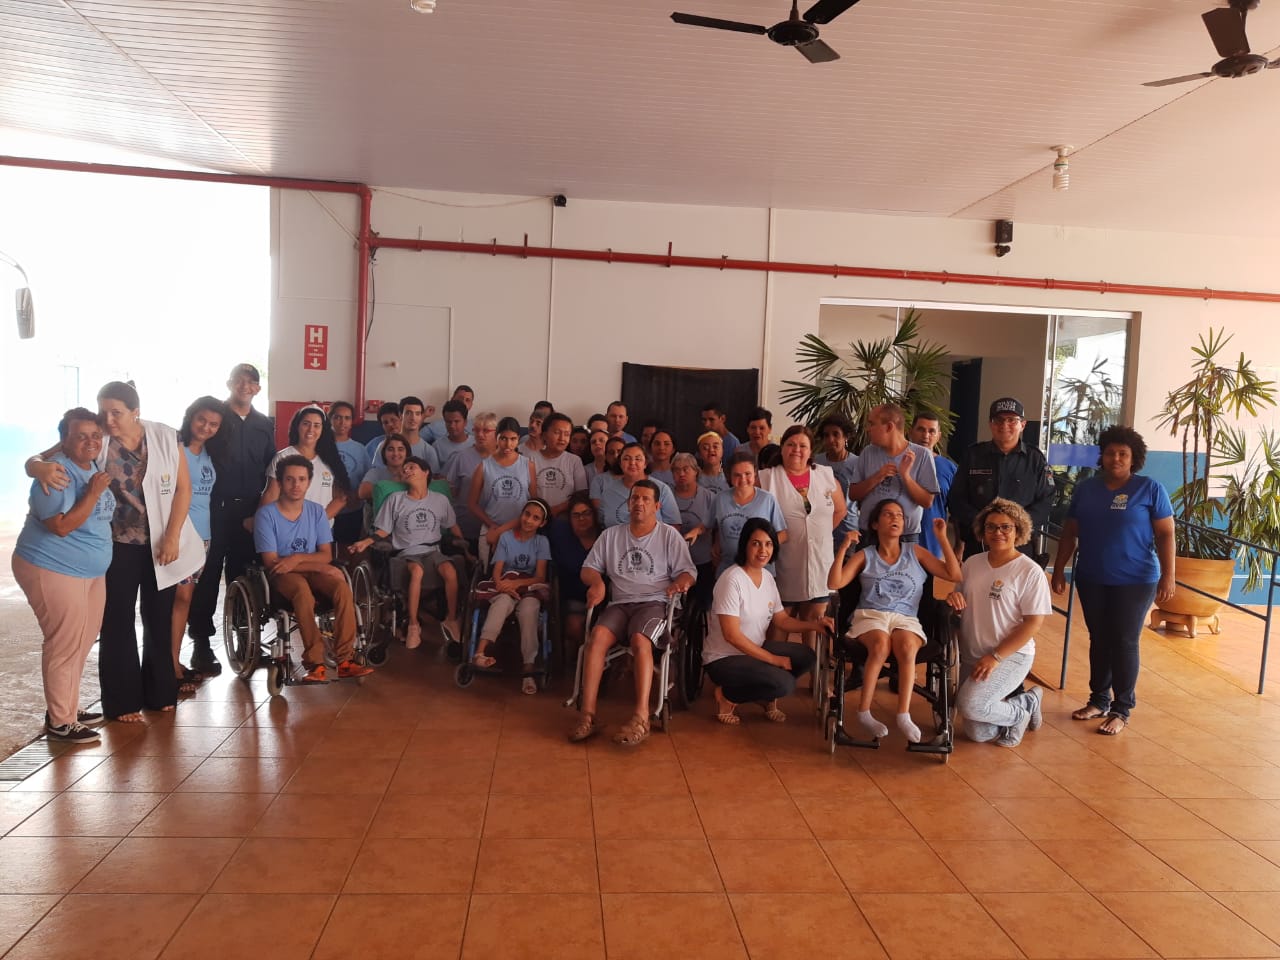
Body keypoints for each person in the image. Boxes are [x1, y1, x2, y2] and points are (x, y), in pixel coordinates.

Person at [26, 381, 206, 723]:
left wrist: (172, 536)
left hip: (161, 542)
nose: (107, 420)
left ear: (136, 411)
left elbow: (184, 489)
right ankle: (123, 702)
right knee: (117, 620)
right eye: (103, 411)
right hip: (115, 544)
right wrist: (39, 468)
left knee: (159, 616)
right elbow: (38, 460)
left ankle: (161, 692)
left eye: (116, 412)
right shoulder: (98, 439)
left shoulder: (165, 437)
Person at [1052, 426, 1175, 736]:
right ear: (1102, 456)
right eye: (1110, 453)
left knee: (1124, 640)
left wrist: (1169, 575)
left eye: (1123, 453)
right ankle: (1098, 700)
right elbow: (1070, 532)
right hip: (1092, 577)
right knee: (1099, 638)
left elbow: (1166, 534)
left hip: (1136, 579)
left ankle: (1122, 708)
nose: (1116, 458)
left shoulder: (1149, 489)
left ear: (1134, 458)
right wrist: (1058, 569)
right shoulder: (1086, 489)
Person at [13, 408, 115, 742]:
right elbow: (60, 526)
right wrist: (93, 493)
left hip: (89, 571)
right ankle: (60, 721)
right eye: (80, 436)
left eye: (95, 435)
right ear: (64, 440)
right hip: (53, 566)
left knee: (82, 639)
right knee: (64, 643)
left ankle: (66, 706)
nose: (90, 442)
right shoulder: (56, 474)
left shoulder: (91, 465)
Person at [570, 480, 696, 746]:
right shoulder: (611, 536)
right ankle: (588, 715)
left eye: (645, 499)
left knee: (640, 640)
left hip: (654, 603)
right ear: (628, 504)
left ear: (657, 506)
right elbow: (588, 569)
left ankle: (641, 717)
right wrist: (597, 582)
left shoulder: (668, 536)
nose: (639, 503)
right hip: (619, 604)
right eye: (635, 498)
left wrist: (681, 582)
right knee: (596, 639)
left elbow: (688, 572)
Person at [829, 503, 962, 742]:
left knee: (907, 646)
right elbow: (834, 583)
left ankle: (903, 714)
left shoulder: (916, 552)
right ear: (875, 524)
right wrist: (844, 547)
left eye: (899, 515)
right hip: (871, 615)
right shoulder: (865, 555)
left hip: (905, 617)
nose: (895, 518)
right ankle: (864, 712)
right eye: (888, 514)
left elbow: (954, 575)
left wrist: (942, 538)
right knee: (880, 645)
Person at [186, 362, 275, 677]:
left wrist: (262, 511)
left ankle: (245, 641)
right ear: (230, 383)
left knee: (245, 576)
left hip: (250, 512)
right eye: (239, 380)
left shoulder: (264, 424)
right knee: (208, 576)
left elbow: (271, 468)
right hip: (213, 509)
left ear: (257, 388)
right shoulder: (215, 418)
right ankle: (201, 644)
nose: (244, 385)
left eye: (251, 381)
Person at [253, 455, 373, 683]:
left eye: (301, 479)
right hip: (282, 575)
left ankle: (345, 660)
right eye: (289, 479)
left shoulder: (317, 511)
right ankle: (315, 662)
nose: (296, 485)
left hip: (309, 569)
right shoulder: (266, 515)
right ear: (280, 482)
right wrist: (314, 565)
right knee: (302, 591)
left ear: (309, 482)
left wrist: (296, 559)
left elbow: (326, 555)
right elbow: (272, 562)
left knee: (342, 588)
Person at [951, 499, 1054, 746]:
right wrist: (953, 599)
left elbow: (1033, 623)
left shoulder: (1030, 572)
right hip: (973, 653)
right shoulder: (972, 563)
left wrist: (996, 657)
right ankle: (1026, 701)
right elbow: (960, 600)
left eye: (1006, 527)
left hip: (1010, 655)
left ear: (1018, 530)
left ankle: (1021, 711)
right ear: (982, 531)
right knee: (978, 733)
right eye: (991, 527)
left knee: (970, 705)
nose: (998, 532)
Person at [704, 519, 825, 725]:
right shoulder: (732, 579)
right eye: (756, 543)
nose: (763, 550)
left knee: (806, 656)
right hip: (724, 658)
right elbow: (731, 636)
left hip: (754, 649)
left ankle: (764, 692)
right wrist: (773, 659)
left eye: (768, 544)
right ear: (745, 545)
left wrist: (815, 626)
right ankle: (728, 695)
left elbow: (782, 620)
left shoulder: (767, 578)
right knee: (784, 685)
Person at [353, 456, 465, 649]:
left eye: (412, 467)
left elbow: (452, 526)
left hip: (433, 550)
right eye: (404, 469)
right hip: (407, 552)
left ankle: (452, 619)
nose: (407, 471)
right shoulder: (395, 499)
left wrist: (465, 547)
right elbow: (383, 530)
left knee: (450, 570)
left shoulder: (440, 500)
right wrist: (366, 541)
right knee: (417, 571)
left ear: (426, 472)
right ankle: (413, 625)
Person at [759, 425, 848, 648]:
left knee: (815, 622)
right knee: (781, 622)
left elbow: (840, 510)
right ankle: (776, 668)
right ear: (782, 448)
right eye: (791, 444)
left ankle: (813, 670)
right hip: (784, 562)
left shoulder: (825, 475)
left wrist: (819, 533)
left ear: (810, 451)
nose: (796, 450)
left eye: (802, 446)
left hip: (820, 561)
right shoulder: (767, 478)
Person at [949, 397, 1054, 559]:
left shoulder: (1035, 460)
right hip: (979, 544)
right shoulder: (973, 455)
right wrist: (984, 525)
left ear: (1022, 425)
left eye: (1012, 420)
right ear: (991, 424)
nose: (1004, 425)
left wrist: (1015, 528)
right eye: (998, 420)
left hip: (1020, 545)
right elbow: (957, 498)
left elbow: (1046, 500)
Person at [171, 396, 226, 694]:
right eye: (202, 420)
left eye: (213, 424)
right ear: (191, 417)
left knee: (186, 599)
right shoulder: (174, 448)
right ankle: (170, 665)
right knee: (179, 598)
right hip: (180, 535)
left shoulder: (209, 453)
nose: (206, 427)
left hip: (204, 537)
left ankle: (174, 661)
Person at [474, 498, 553, 694]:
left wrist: (517, 584)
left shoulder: (542, 542)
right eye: (527, 514)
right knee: (502, 602)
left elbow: (540, 576)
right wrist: (503, 585)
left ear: (542, 523)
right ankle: (480, 653)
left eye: (535, 518)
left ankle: (528, 667)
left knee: (529, 609)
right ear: (521, 515)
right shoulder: (506, 537)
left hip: (528, 587)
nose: (529, 520)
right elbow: (496, 571)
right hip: (504, 583)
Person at [847, 404, 937, 544]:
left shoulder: (922, 455)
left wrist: (906, 476)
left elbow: (927, 502)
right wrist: (877, 477)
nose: (868, 429)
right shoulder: (867, 452)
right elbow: (853, 494)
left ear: (889, 427)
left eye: (872, 424)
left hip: (905, 537)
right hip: (869, 535)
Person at [261, 405, 351, 521]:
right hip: (288, 527)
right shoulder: (283, 457)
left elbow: (341, 497)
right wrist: (262, 522)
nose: (311, 429)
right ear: (297, 426)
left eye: (316, 425)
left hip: (321, 529)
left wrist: (317, 522)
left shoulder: (330, 460)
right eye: (306, 424)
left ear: (323, 429)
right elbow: (271, 495)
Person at [468, 415, 536, 565]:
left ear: (518, 439)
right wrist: (491, 524)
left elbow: (534, 503)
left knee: (518, 572)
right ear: (496, 437)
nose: (508, 444)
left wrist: (512, 526)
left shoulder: (528, 465)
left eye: (513, 439)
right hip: (491, 529)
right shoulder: (484, 466)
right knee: (488, 572)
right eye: (503, 438)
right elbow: (472, 504)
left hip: (521, 528)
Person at [711, 453, 787, 577]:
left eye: (747, 474)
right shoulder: (720, 499)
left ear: (755, 473)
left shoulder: (767, 499)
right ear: (729, 476)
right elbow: (717, 526)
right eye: (737, 475)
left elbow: (783, 534)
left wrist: (763, 548)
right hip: (728, 568)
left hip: (760, 570)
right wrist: (717, 543)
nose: (743, 479)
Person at [548, 491, 601, 656]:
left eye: (586, 513)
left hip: (603, 600)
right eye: (576, 515)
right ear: (569, 518)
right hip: (571, 599)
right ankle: (584, 660)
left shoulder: (605, 536)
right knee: (574, 625)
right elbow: (533, 516)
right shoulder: (559, 531)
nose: (581, 518)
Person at [591, 441, 681, 528]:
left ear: (645, 463)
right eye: (626, 459)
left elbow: (674, 525)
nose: (632, 463)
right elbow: (602, 524)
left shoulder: (662, 489)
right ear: (620, 463)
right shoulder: (608, 492)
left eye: (638, 459)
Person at [670, 452, 718, 601]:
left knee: (701, 604)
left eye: (686, 469)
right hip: (672, 563)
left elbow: (717, 526)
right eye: (676, 470)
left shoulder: (710, 497)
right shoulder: (666, 496)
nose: (681, 474)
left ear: (696, 471)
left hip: (703, 560)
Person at [910, 411, 957, 559]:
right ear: (910, 432)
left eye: (931, 431)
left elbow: (957, 512)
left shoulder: (949, 468)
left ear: (938, 436)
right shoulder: (897, 461)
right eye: (921, 429)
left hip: (931, 546)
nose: (926, 435)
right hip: (896, 545)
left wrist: (959, 546)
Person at [446, 411, 497, 546]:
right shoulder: (461, 457)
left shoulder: (503, 458)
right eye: (477, 430)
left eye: (486, 431)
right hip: (466, 527)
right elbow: (452, 492)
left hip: (494, 527)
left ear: (496, 433)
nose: (480, 435)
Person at [815, 414, 861, 546]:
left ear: (846, 437)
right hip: (821, 529)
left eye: (836, 434)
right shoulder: (816, 462)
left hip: (848, 531)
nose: (831, 439)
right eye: (826, 435)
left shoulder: (857, 463)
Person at [329, 400, 371, 546]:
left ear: (352, 421)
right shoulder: (320, 447)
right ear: (330, 419)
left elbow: (367, 477)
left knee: (347, 550)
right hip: (325, 510)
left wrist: (356, 496)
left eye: (347, 418)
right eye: (338, 417)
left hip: (352, 511)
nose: (342, 422)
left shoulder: (360, 449)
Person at [530, 412, 588, 517]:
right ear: (544, 435)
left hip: (565, 518)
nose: (562, 438)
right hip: (536, 517)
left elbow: (581, 494)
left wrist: (556, 510)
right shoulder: (530, 459)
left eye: (567, 434)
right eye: (557, 432)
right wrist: (540, 512)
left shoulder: (574, 461)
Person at [369, 396, 440, 475]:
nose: (413, 418)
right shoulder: (383, 446)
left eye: (417, 414)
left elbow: (434, 479)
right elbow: (375, 475)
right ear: (400, 416)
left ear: (421, 417)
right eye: (408, 413)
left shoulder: (429, 451)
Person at [358, 433, 411, 516]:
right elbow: (362, 493)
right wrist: (397, 480)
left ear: (406, 453)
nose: (395, 453)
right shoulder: (375, 472)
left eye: (400, 449)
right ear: (384, 453)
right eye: (390, 449)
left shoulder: (413, 473)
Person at [433, 399, 472, 468]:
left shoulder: (476, 443)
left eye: (456, 421)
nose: (452, 426)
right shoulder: (437, 446)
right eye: (448, 422)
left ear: (465, 422)